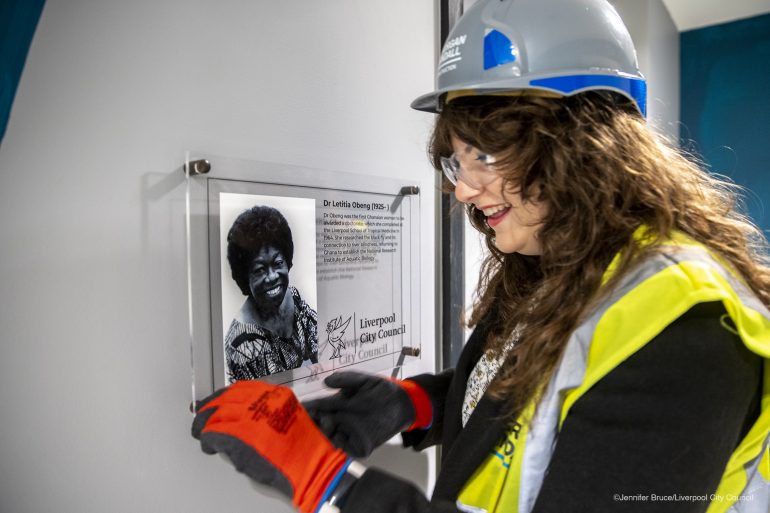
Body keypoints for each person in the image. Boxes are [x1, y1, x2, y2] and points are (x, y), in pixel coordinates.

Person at [192, 1, 770, 512]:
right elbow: (531, 402)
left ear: (585, 146)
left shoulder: (689, 332)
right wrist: (418, 402)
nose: (463, 188)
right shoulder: (559, 262)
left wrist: (328, 485)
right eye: (456, 161)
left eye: (487, 155)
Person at [224, 205, 318, 381]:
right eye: (260, 270)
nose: (272, 276)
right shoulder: (242, 344)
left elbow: (322, 349)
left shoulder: (293, 298)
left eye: (277, 263)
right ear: (245, 276)